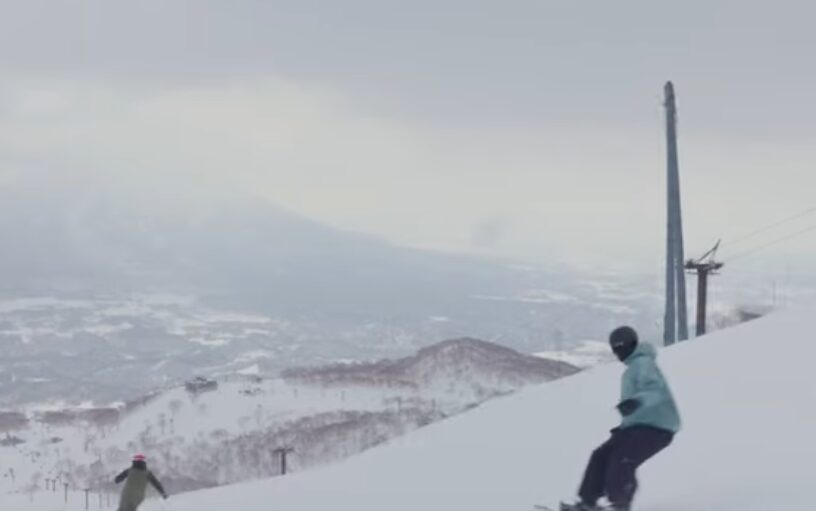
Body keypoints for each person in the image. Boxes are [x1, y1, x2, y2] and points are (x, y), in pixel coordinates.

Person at [562, 326, 681, 511]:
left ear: (631, 344)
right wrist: (625, 425)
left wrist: (636, 401)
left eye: (620, 347)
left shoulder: (643, 363)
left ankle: (619, 505)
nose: (618, 353)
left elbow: (656, 391)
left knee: (622, 459)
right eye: (615, 349)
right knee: (600, 455)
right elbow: (639, 410)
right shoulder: (633, 368)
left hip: (658, 427)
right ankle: (587, 502)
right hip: (638, 427)